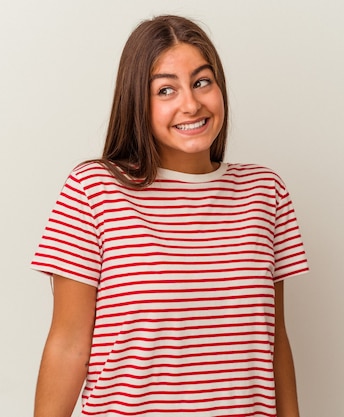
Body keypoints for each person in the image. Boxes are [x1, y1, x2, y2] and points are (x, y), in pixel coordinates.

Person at [31, 15, 309, 417]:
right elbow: (69, 343)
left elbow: (273, 340)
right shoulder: (94, 190)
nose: (191, 103)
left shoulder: (264, 193)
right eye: (166, 90)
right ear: (137, 102)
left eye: (201, 82)